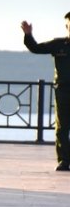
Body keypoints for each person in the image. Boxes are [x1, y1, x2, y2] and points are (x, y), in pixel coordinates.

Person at [21, 15, 70, 171]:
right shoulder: (58, 44)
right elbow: (36, 48)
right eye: (69, 25)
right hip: (62, 90)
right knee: (62, 127)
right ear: (67, 27)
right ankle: (64, 161)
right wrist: (28, 35)